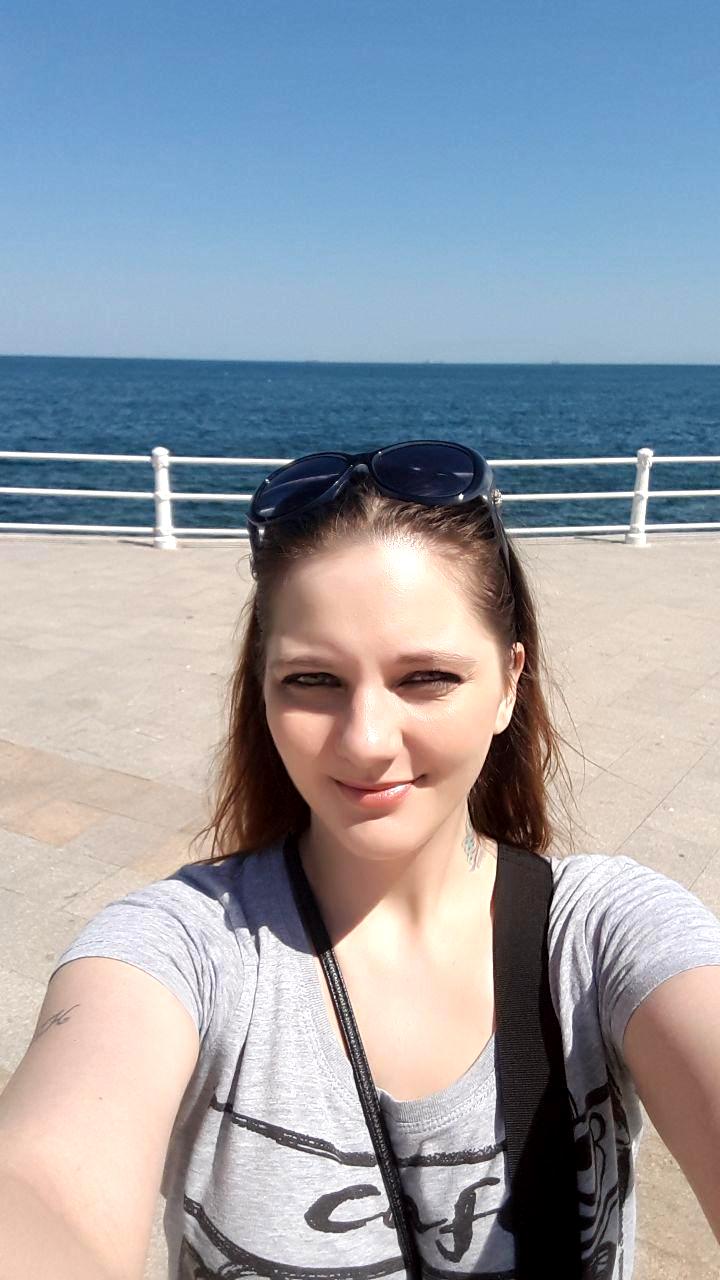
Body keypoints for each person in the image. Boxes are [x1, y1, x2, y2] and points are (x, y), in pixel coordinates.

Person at [0, 439, 719, 1280]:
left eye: (426, 677)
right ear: (261, 686)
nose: (367, 741)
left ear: (509, 683)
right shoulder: (185, 948)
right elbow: (45, 1186)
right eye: (313, 681)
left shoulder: (604, 935)